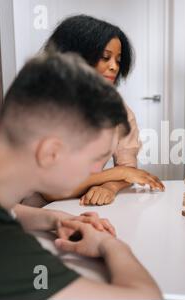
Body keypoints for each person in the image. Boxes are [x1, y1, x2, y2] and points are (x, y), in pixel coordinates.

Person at [0, 52, 162, 299]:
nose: (96, 171)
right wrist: (109, 244)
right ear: (50, 153)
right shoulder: (0, 247)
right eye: (96, 159)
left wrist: (53, 218)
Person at [27, 14, 164, 208]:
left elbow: (128, 168)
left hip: (83, 207)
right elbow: (50, 191)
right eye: (105, 57)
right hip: (36, 209)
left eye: (118, 60)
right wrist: (115, 174)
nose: (114, 66)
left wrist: (109, 187)